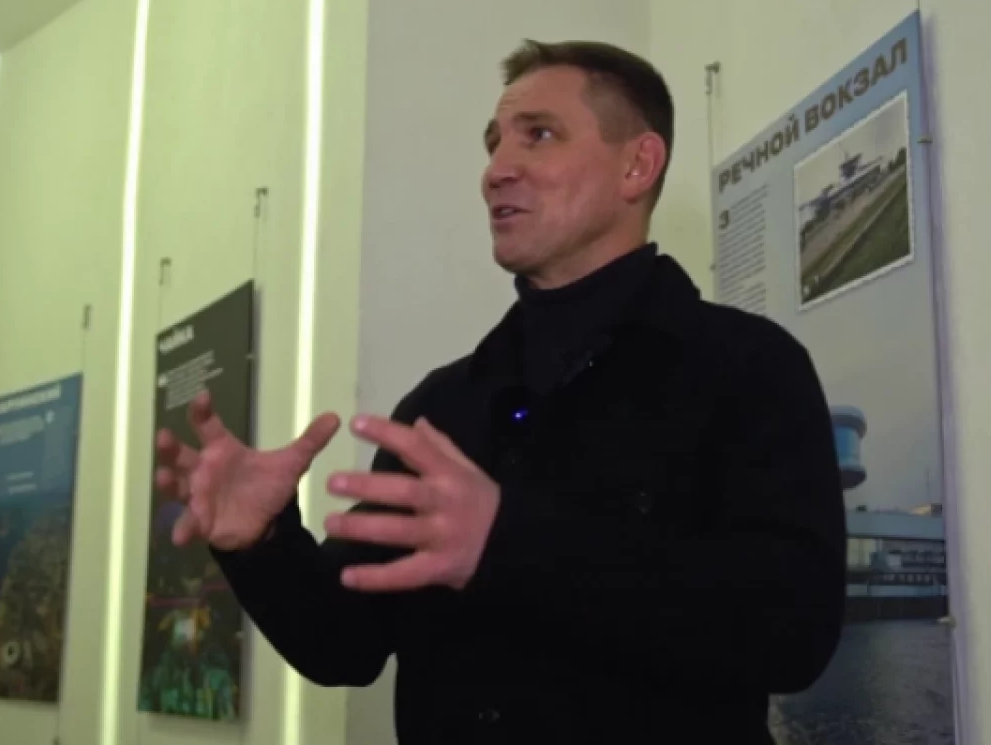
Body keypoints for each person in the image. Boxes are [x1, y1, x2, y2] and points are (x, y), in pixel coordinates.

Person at [155, 39, 847, 744]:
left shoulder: (748, 367)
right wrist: (263, 542)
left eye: (538, 135)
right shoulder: (442, 406)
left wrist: (506, 541)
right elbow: (344, 643)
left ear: (637, 165)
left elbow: (794, 631)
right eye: (494, 144)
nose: (495, 172)